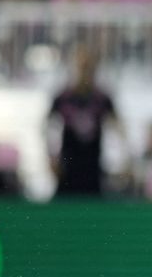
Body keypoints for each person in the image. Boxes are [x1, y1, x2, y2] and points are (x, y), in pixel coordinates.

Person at [47, 46, 127, 197]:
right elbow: (48, 127)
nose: (85, 71)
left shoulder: (102, 99)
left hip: (93, 167)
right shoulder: (64, 97)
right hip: (67, 167)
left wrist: (123, 161)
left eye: (88, 66)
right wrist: (50, 158)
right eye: (81, 66)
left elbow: (119, 129)